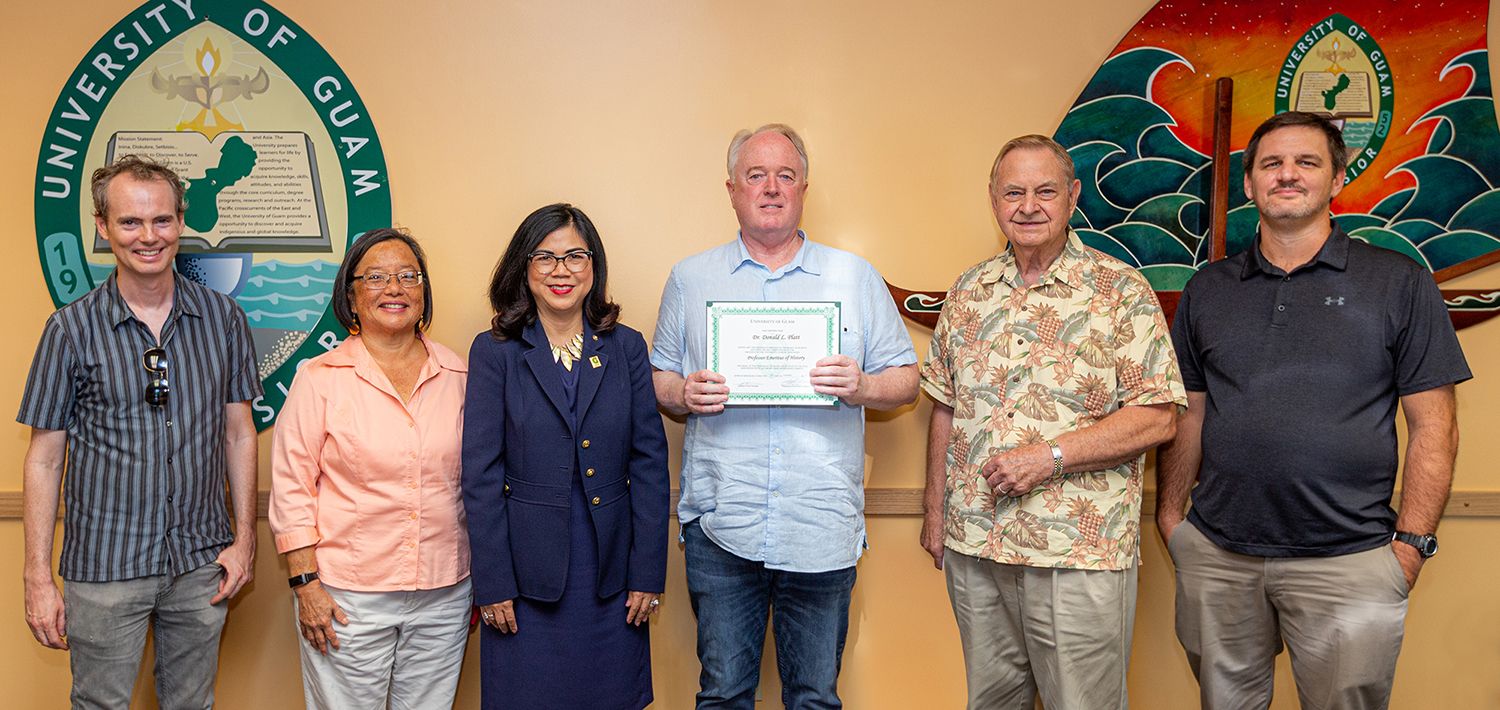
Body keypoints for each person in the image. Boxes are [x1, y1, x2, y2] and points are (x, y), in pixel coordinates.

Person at [1157, 111, 1471, 709]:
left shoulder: (1398, 282)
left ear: (1336, 179)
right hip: (1219, 556)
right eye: (1271, 164)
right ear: (1248, 183)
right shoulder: (1209, 288)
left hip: (1350, 558)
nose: (1287, 176)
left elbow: (1436, 426)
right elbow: (1189, 413)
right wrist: (1173, 522)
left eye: (1307, 162)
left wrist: (1411, 546)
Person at [652, 124, 919, 709]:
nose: (771, 188)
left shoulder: (854, 275)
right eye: (755, 175)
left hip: (819, 523)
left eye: (785, 176)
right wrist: (683, 392)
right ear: (731, 189)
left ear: (803, 188)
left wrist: (864, 384)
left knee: (815, 698)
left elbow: (907, 381)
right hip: (724, 522)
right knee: (722, 695)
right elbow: (658, 379)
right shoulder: (691, 278)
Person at [918, 134, 1186, 709]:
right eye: (1013, 192)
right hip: (977, 547)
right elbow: (945, 405)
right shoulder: (968, 291)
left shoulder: (1120, 291)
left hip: (1077, 555)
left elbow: (1159, 417)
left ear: (1072, 197)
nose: (1029, 205)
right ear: (993, 200)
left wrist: (1049, 456)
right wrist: (935, 511)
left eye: (1045, 191)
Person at [19, 155, 260, 708]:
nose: (148, 237)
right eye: (130, 222)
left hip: (201, 565)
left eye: (162, 221)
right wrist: (37, 576)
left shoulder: (224, 319)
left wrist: (245, 539)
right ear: (103, 227)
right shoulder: (69, 330)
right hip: (104, 568)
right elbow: (44, 458)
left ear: (180, 221)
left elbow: (240, 434)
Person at [463, 203, 669, 710]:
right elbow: (480, 475)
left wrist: (647, 573)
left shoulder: (626, 348)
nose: (562, 271)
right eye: (546, 257)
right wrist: (492, 583)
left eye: (575, 256)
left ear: (593, 267)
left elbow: (649, 464)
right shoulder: (495, 351)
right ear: (523, 268)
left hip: (610, 579)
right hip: (523, 582)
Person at [269, 228, 471, 708]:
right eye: (376, 277)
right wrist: (305, 584)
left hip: (445, 593)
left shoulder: (460, 374)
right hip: (346, 597)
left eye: (408, 276)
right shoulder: (319, 379)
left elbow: (479, 481)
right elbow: (291, 487)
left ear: (424, 294)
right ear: (352, 297)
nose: (394, 288)